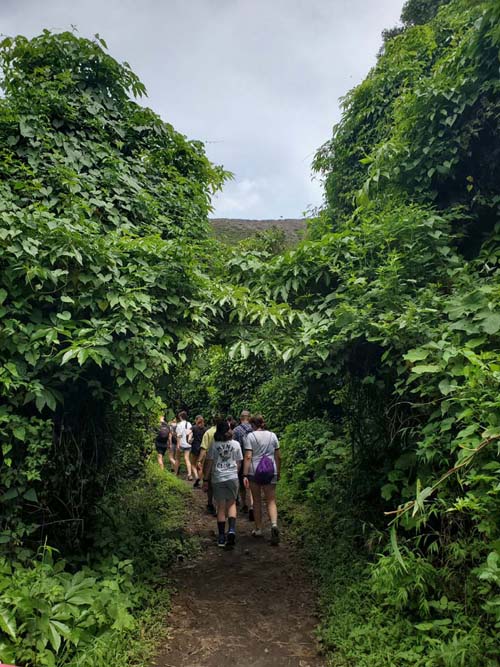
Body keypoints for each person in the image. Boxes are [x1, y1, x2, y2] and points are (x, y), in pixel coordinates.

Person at [243, 414, 281, 545]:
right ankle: (274, 525)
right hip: (271, 470)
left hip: (255, 471)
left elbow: (248, 456)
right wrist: (278, 471)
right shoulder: (273, 435)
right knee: (271, 500)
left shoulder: (250, 436)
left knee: (257, 501)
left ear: (253, 425)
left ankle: (258, 529)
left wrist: (245, 474)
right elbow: (278, 456)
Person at [203, 421, 243, 548]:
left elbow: (209, 463)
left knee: (220, 506)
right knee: (231, 504)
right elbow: (239, 463)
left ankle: (221, 537)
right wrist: (234, 473)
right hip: (232, 477)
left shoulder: (214, 445)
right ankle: (231, 530)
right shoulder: (236, 444)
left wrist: (205, 479)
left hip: (218, 478)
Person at [232, 410, 254, 520]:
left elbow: (234, 446)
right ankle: (252, 505)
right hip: (253, 459)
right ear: (249, 418)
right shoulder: (254, 429)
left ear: (240, 418)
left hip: (240, 459)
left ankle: (244, 503)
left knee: (242, 482)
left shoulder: (236, 430)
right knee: (252, 483)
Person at [198, 417, 218, 514]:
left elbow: (204, 448)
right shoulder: (225, 432)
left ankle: (210, 503)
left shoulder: (208, 433)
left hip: (210, 460)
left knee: (209, 483)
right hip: (222, 460)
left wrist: (199, 460)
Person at [176, 410, 193, 479]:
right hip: (188, 444)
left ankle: (175, 473)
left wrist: (178, 444)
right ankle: (189, 474)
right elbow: (191, 432)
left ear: (180, 417)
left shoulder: (179, 424)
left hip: (181, 444)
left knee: (178, 459)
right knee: (187, 459)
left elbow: (178, 435)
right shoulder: (189, 424)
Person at [190, 415, 206, 488]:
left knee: (193, 464)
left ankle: (196, 477)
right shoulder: (205, 429)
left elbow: (188, 433)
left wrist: (189, 440)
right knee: (200, 465)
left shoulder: (193, 427)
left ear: (196, 420)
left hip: (195, 447)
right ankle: (200, 481)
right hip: (202, 448)